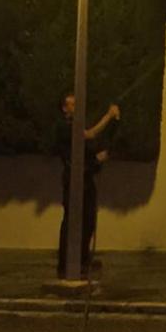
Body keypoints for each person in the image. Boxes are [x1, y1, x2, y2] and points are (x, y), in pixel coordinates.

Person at [55, 94, 119, 278]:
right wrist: (108, 115)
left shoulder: (76, 125)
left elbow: (86, 147)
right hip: (74, 180)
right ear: (64, 108)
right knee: (72, 221)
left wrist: (96, 159)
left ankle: (82, 258)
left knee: (88, 220)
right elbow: (88, 135)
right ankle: (67, 263)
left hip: (86, 179)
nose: (76, 107)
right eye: (72, 104)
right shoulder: (65, 127)